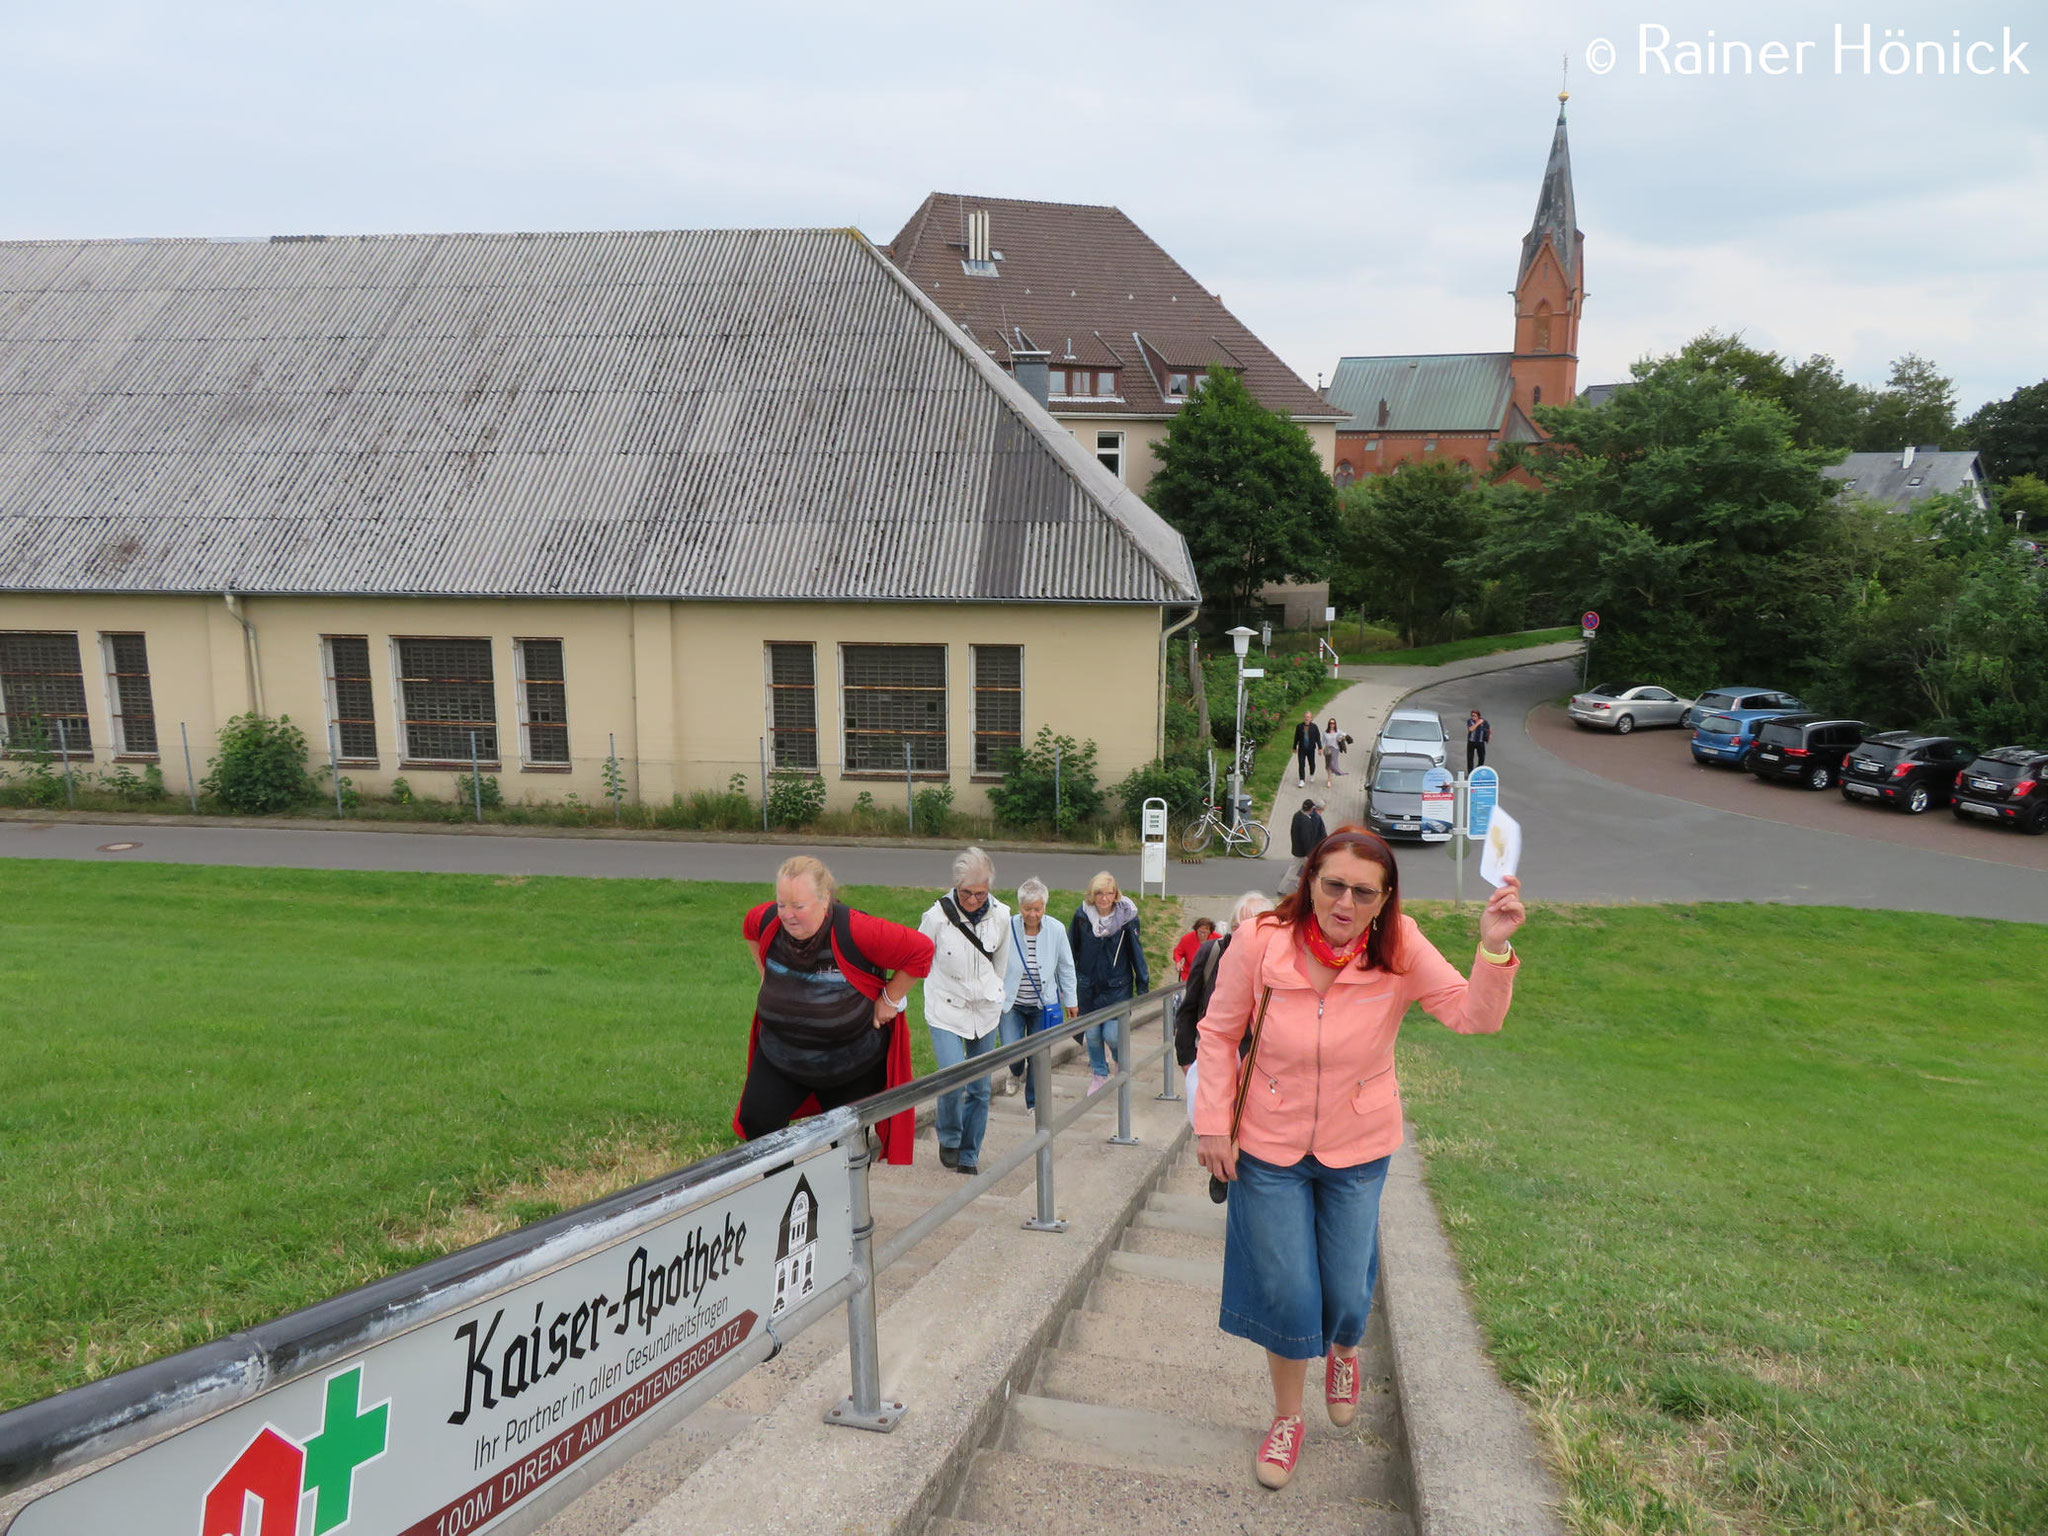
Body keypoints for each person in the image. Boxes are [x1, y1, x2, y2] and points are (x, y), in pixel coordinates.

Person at [1194, 828, 1526, 1490]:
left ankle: (1344, 1349)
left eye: (1363, 892)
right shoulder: (1261, 940)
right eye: (1333, 884)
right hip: (1268, 1144)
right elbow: (1218, 1030)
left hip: (1358, 1146)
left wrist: (1493, 949)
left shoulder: (1399, 949)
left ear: (1384, 899)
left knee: (1346, 1290)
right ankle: (1288, 1419)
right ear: (1310, 880)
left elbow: (1472, 1017)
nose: (1345, 902)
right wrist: (1212, 1124)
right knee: (1289, 1290)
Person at [737, 855, 934, 1165]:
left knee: (845, 1145)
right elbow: (749, 926)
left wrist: (889, 1000)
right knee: (757, 1122)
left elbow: (921, 950)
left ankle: (849, 1210)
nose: (787, 915)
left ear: (824, 898)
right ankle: (786, 1195)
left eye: (798, 906)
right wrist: (767, 975)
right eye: (781, 904)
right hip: (783, 1054)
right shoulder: (767, 922)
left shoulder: (856, 928)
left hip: (850, 1063)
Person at [918, 847, 1012, 1175]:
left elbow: (1001, 962)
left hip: (984, 1009)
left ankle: (970, 1154)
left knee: (980, 1088)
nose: (973, 900)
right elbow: (918, 960)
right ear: (956, 886)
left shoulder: (1001, 915)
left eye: (980, 893)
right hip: (945, 1006)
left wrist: (996, 995)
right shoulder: (936, 917)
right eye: (966, 893)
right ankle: (950, 1136)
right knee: (952, 1077)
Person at [999, 877, 1079, 1108]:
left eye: (1037, 908)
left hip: (1042, 1005)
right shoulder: (1007, 927)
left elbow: (1066, 966)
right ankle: (1015, 1071)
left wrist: (1071, 1000)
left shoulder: (1055, 929)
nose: (1032, 914)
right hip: (1012, 1003)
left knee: (1038, 1055)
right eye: (1027, 909)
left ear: (1044, 906)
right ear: (1019, 907)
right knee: (1011, 1050)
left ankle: (1033, 1103)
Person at [1174, 890, 1273, 1072]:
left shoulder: (1277, 962)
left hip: (1261, 1068)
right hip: (1213, 1062)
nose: (1245, 936)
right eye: (1239, 928)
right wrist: (1186, 1060)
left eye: (1256, 930)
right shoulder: (1211, 953)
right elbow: (1189, 1009)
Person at [1070, 871, 1150, 1094]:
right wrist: (1070, 984)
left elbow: (1136, 953)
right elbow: (1072, 949)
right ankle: (1099, 1074)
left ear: (1115, 894)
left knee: (1112, 1035)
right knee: (1093, 1035)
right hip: (1089, 988)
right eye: (1099, 894)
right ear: (1092, 895)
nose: (1104, 898)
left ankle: (1117, 1058)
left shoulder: (1127, 918)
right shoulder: (1082, 917)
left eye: (1109, 893)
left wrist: (1142, 984)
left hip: (1117, 988)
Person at [1280, 797, 1326, 899]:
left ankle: (1286, 888)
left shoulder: (1297, 815)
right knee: (1301, 871)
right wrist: (1309, 854)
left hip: (1297, 849)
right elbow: (1307, 840)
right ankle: (1288, 889)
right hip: (1303, 853)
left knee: (1299, 870)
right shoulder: (1306, 821)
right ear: (1311, 809)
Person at [1172, 917, 1217, 982]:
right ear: (1196, 930)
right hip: (1190, 974)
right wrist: (1178, 962)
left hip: (1210, 975)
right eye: (1200, 932)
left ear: (1210, 932)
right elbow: (1178, 952)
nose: (1202, 935)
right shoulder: (1187, 939)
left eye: (1205, 932)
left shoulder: (1217, 939)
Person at [1291, 711, 1324, 788]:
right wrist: (1294, 747)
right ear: (1304, 717)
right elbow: (1296, 737)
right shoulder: (1299, 727)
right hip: (1302, 749)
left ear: (1311, 718)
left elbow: (1317, 738)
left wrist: (1320, 748)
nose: (1307, 718)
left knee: (1312, 764)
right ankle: (1302, 780)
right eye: (1306, 717)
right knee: (1301, 764)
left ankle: (1312, 774)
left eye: (1308, 717)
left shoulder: (1314, 727)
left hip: (1311, 749)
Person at [1322, 717, 1351, 788]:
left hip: (1335, 749)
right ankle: (1330, 775)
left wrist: (1344, 738)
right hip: (1328, 750)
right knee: (1327, 766)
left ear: (1335, 724)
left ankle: (1329, 780)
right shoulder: (1325, 733)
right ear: (1329, 724)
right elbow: (1322, 742)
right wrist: (1320, 749)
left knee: (1332, 764)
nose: (1332, 724)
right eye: (1331, 723)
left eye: (1333, 723)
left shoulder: (1338, 731)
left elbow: (1345, 734)